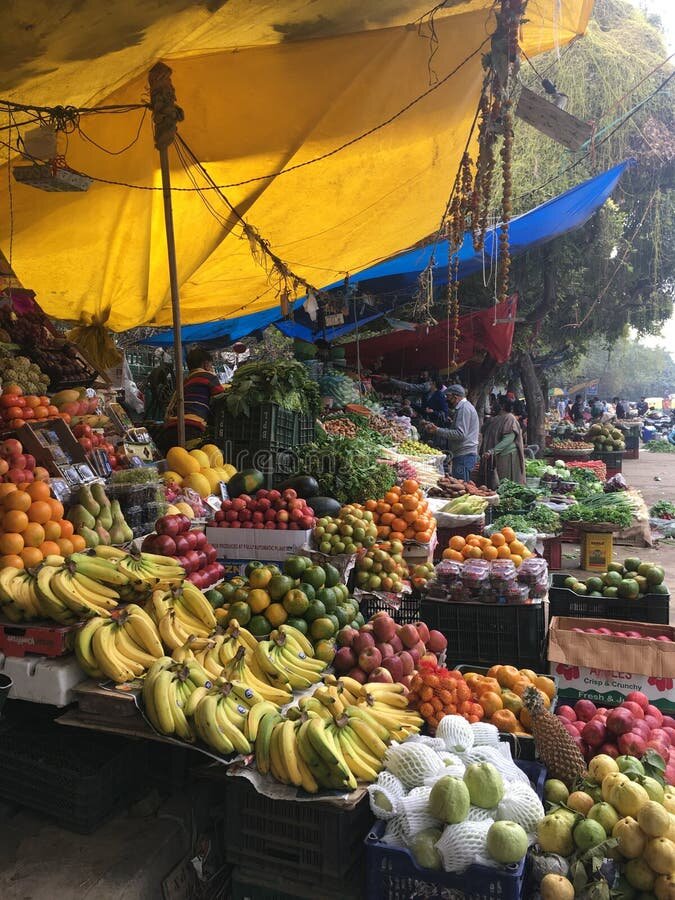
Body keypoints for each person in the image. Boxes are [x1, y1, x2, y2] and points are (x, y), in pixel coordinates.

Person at [159, 347, 225, 454]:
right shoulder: (208, 376)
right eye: (211, 365)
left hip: (169, 429)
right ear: (205, 364)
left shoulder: (185, 381)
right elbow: (222, 396)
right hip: (191, 428)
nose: (211, 367)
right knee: (192, 461)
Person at [424, 384, 480, 481]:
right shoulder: (464, 408)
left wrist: (437, 430)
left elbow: (460, 434)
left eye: (448, 397)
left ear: (456, 397)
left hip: (464, 455)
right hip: (463, 453)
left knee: (461, 487)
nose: (447, 399)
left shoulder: (464, 409)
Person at [479, 397, 526, 486]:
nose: (493, 405)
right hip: (495, 457)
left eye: (495, 403)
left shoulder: (509, 418)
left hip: (506, 457)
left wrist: (492, 451)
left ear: (502, 406)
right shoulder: (495, 418)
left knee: (504, 484)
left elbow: (508, 439)